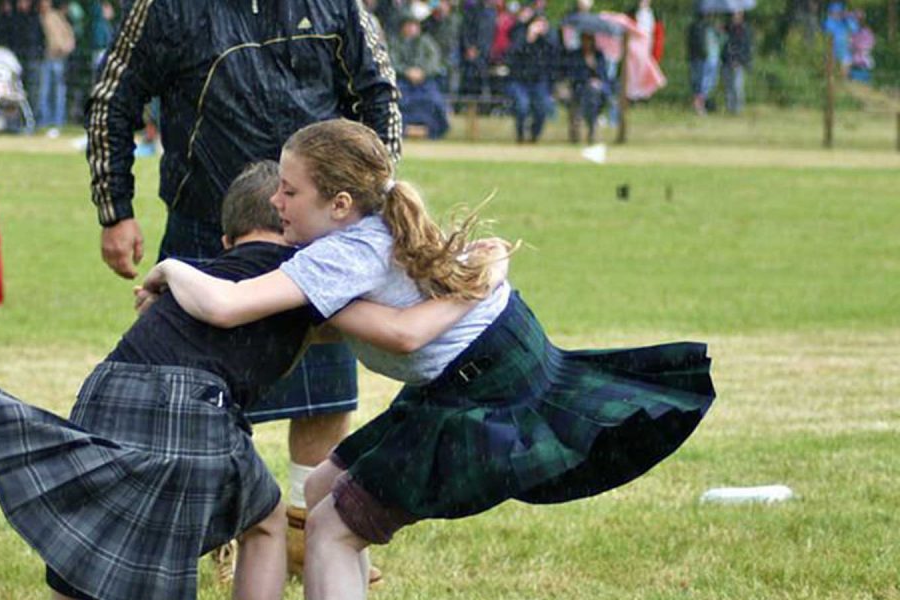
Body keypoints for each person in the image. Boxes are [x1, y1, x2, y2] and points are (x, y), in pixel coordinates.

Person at [145, 118, 716, 600]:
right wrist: (475, 285)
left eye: (289, 191)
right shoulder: (366, 225)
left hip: (482, 387)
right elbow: (361, 327)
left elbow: (230, 308)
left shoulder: (338, 255)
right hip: (485, 362)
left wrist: (169, 270)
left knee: (331, 530)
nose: (276, 200)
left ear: (339, 203)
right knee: (321, 489)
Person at [0, 161, 502, 600]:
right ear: (295, 225)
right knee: (267, 523)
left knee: (99, 541)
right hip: (185, 402)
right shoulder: (305, 275)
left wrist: (173, 271)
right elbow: (396, 331)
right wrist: (474, 285)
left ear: (227, 239)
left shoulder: (209, 274)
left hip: (105, 388)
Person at [86, 0, 402, 579]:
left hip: (317, 230)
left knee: (324, 395)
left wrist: (371, 206)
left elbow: (378, 95)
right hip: (212, 226)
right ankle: (218, 523)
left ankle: (308, 528)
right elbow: (114, 97)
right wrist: (116, 209)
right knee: (200, 387)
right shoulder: (165, 9)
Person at [390, 12, 450, 139]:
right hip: (402, 81)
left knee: (435, 101)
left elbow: (435, 61)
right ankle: (403, 129)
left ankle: (431, 129)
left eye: (414, 25)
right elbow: (392, 62)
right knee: (398, 101)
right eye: (409, 25)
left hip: (425, 81)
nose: (412, 28)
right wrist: (407, 72)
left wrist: (423, 72)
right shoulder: (395, 43)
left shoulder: (427, 43)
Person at [505, 13, 558, 143]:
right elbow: (512, 54)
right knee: (522, 106)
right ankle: (520, 135)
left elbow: (555, 53)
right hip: (519, 81)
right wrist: (529, 37)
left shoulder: (546, 41)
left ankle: (534, 136)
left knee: (542, 108)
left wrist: (545, 35)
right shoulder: (520, 36)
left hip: (537, 82)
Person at [38, 0, 75, 136]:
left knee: (57, 91)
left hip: (57, 58)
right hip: (48, 57)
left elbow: (67, 35)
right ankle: (45, 120)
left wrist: (64, 49)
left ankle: (57, 121)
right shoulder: (42, 18)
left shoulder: (55, 17)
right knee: (46, 90)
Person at [565, 32, 609, 144]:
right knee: (589, 94)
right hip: (580, 87)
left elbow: (603, 75)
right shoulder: (576, 55)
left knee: (594, 94)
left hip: (596, 89)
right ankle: (590, 126)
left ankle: (592, 125)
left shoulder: (599, 55)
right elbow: (573, 75)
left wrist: (594, 67)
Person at [721, 10, 752, 115]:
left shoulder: (744, 29)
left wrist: (739, 60)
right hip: (726, 61)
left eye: (736, 14)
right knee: (728, 86)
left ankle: (738, 109)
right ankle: (730, 108)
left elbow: (745, 47)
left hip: (737, 63)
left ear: (741, 15)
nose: (734, 17)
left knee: (737, 86)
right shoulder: (728, 28)